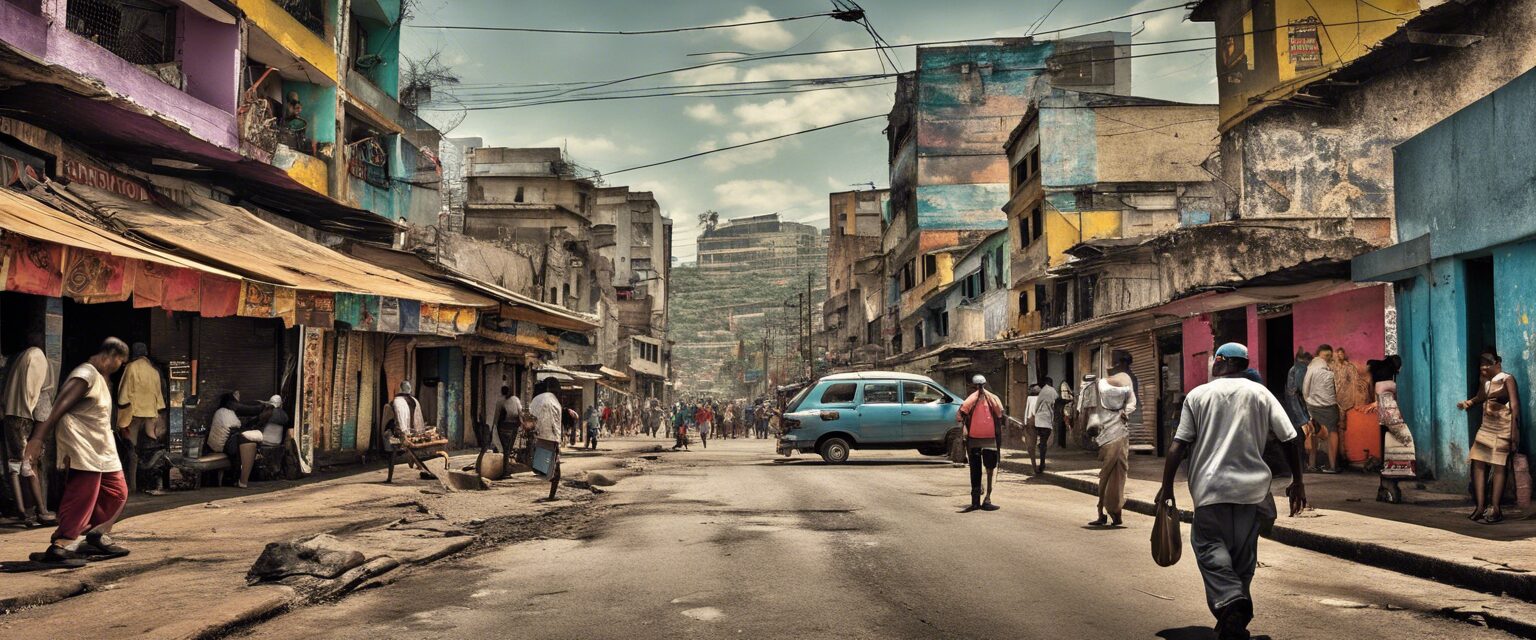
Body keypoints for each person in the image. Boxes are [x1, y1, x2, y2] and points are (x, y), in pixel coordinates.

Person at [1157, 342, 1306, 640]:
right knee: (1243, 557)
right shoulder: (1261, 393)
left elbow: (1179, 444)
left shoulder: (1198, 395)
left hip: (1210, 491)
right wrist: (1298, 481)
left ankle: (1231, 600)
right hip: (1251, 494)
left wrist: (1166, 487)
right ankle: (1231, 621)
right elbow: (1290, 438)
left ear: (1222, 362)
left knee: (1210, 548)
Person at [22, 338, 133, 564]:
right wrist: (37, 438)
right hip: (82, 446)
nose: (119, 368)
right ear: (110, 356)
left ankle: (96, 535)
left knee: (117, 492)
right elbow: (58, 407)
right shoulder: (86, 374)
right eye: (119, 363)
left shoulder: (101, 378)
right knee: (82, 495)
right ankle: (60, 545)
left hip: (103, 449)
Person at [1459, 351, 1521, 524]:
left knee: (1499, 465)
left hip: (1503, 428)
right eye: (1482, 364)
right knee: (1478, 462)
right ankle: (1480, 507)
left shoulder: (1507, 379)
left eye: (1488, 364)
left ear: (1498, 363)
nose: (1484, 367)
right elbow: (1481, 397)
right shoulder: (1485, 382)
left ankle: (1495, 508)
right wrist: (1469, 403)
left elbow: (1514, 405)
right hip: (1486, 427)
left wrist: (1515, 432)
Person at [3, 331, 55, 526]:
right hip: (25, 415)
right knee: (28, 464)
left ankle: (23, 511)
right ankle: (41, 510)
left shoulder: (19, 359)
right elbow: (40, 408)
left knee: (14, 465)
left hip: (11, 414)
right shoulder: (39, 359)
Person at [1080, 351, 1137, 527]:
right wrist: (1126, 412)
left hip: (1109, 435)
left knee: (1108, 475)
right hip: (1117, 434)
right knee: (1117, 475)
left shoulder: (1101, 384)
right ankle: (1111, 512)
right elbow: (1131, 403)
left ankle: (1107, 513)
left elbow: (1088, 411)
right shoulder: (1127, 381)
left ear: (1119, 364)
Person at [115, 342, 165, 494]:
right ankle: (151, 483)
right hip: (150, 415)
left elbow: (123, 395)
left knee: (131, 449)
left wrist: (120, 410)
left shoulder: (131, 368)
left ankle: (132, 485)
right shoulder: (154, 371)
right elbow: (159, 398)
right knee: (149, 449)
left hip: (134, 415)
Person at [1367, 357, 1414, 504]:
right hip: (1391, 420)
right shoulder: (1389, 384)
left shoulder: (1378, 382)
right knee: (1399, 448)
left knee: (1387, 451)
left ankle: (1384, 486)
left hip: (1385, 421)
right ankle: (1388, 482)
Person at [957, 374, 1005, 512]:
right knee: (990, 471)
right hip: (990, 440)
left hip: (973, 441)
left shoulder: (970, 399)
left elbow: (960, 415)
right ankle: (988, 498)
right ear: (986, 384)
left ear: (972, 386)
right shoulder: (993, 398)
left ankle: (975, 501)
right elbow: (1000, 414)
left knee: (975, 470)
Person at [210, 393, 264, 489]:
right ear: (229, 403)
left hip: (222, 443)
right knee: (244, 441)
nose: (237, 405)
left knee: (244, 441)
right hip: (223, 445)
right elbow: (234, 427)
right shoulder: (225, 412)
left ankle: (240, 479)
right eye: (235, 403)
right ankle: (240, 479)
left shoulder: (222, 412)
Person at [1302, 344, 1341, 473]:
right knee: (1332, 432)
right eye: (1326, 355)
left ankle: (1312, 464)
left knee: (1314, 432)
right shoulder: (1329, 368)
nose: (1328, 358)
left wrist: (1308, 401)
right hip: (1330, 406)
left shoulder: (1312, 368)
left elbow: (1305, 389)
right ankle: (1332, 466)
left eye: (1330, 355)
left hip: (1315, 405)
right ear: (1318, 355)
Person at [529, 379, 564, 502]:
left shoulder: (535, 400)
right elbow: (556, 421)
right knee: (556, 467)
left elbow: (531, 418)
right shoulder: (553, 400)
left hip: (538, 436)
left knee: (543, 464)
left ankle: (545, 476)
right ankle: (551, 495)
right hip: (552, 437)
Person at [1027, 377, 1057, 474]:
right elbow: (1054, 405)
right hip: (1045, 421)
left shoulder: (1036, 395)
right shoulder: (1052, 392)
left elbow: (1032, 409)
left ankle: (1036, 465)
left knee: (1035, 444)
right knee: (1043, 442)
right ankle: (1042, 462)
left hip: (1035, 420)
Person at [1283, 349, 1312, 429]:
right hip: (1294, 396)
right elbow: (1298, 387)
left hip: (1294, 395)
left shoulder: (1297, 368)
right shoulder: (1298, 369)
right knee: (1301, 420)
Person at [494, 385, 524, 462]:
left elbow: (497, 414)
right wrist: (521, 422)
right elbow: (520, 412)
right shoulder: (516, 399)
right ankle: (506, 461)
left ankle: (505, 462)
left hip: (503, 426)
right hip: (513, 425)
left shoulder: (500, 400)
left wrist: (495, 425)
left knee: (505, 446)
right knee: (510, 445)